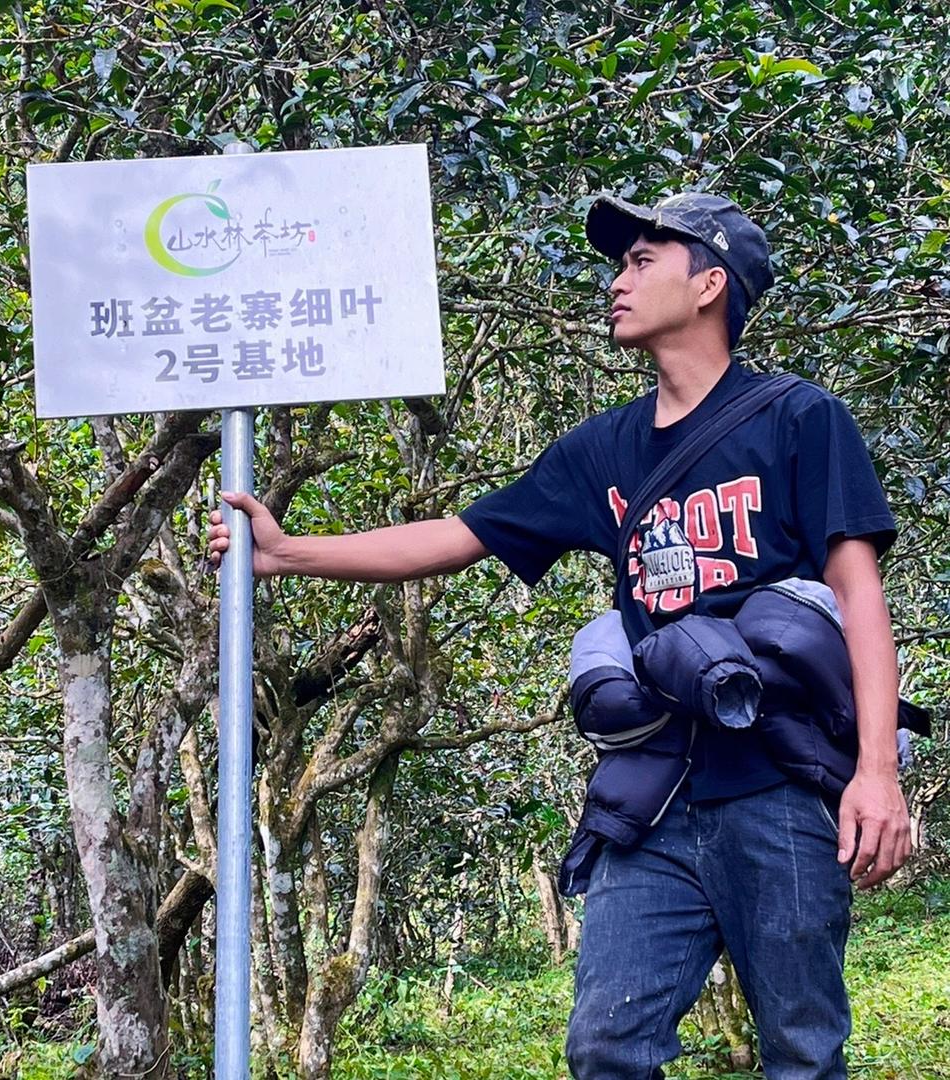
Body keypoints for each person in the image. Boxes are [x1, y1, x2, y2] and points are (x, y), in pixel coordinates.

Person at [207, 192, 911, 1079]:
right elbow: (459, 537)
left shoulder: (799, 419)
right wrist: (287, 553)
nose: (618, 281)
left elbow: (860, 597)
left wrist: (877, 774)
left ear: (709, 284)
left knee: (803, 1051)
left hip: (776, 784)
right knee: (606, 1046)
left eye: (642, 260)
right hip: (652, 797)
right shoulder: (602, 450)